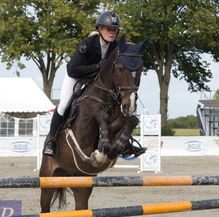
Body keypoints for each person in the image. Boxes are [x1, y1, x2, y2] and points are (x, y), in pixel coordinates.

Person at [43, 11, 145, 157]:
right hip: (77, 76)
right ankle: (51, 140)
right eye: (109, 29)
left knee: (118, 102)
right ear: (100, 29)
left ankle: (126, 142)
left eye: (115, 30)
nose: (112, 32)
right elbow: (72, 69)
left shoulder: (116, 48)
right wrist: (98, 67)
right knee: (64, 103)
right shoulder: (88, 44)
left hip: (99, 81)